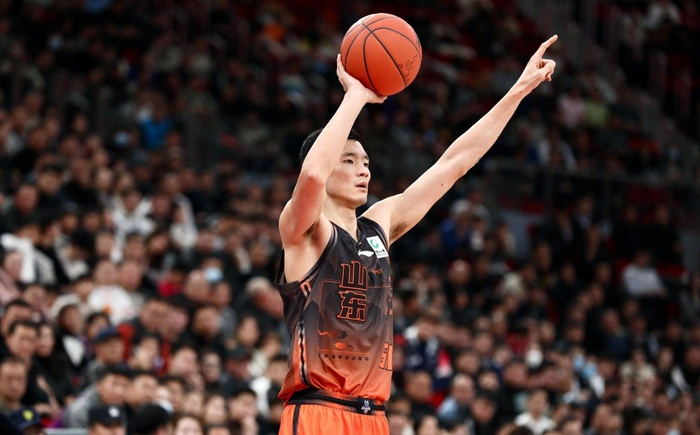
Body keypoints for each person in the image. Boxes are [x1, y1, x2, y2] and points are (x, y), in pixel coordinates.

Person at [275, 36, 559, 434]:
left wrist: (519, 90)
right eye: (349, 160)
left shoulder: (379, 223)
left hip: (374, 417)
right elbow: (312, 175)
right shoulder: (304, 230)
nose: (363, 169)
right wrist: (356, 96)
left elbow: (455, 163)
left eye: (366, 162)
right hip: (319, 411)